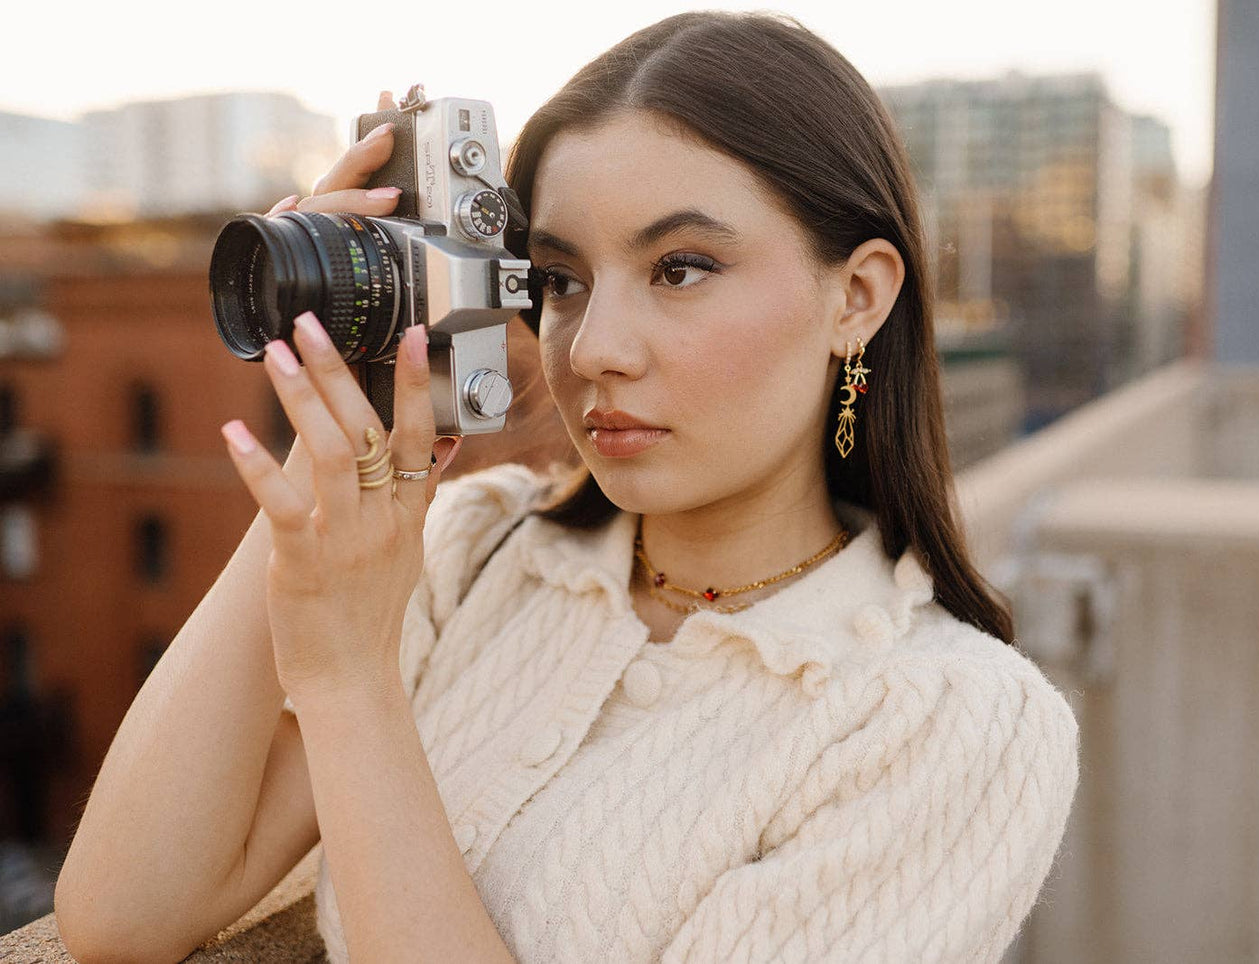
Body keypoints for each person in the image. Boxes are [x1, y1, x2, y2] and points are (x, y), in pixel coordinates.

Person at [54, 11, 1079, 963]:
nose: (591, 351)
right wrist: (325, 461)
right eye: (557, 281)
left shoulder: (948, 725)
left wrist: (350, 681)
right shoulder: (472, 554)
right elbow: (120, 911)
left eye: (679, 268)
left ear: (855, 296)